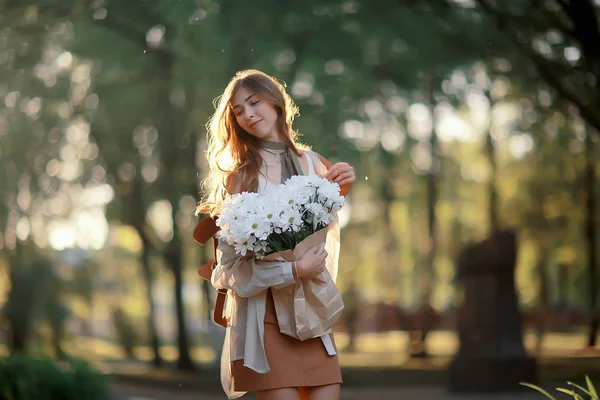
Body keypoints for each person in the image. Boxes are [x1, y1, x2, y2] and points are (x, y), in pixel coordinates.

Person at [196, 69, 356, 400]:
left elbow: (325, 223)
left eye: (254, 103)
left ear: (277, 102)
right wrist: (293, 269)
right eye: (238, 111)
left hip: (311, 313)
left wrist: (342, 184)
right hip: (263, 321)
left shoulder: (311, 162)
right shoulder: (240, 178)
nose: (248, 115)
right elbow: (229, 271)